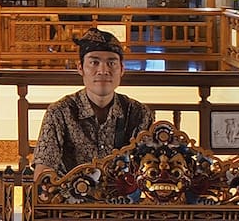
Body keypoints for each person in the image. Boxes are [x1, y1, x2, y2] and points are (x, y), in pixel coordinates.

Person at [31, 28, 154, 179]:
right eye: (94, 62)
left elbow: (151, 169)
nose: (103, 70)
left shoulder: (139, 113)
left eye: (111, 63)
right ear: (80, 68)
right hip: (70, 198)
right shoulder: (60, 112)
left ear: (122, 69)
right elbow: (44, 170)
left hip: (124, 200)